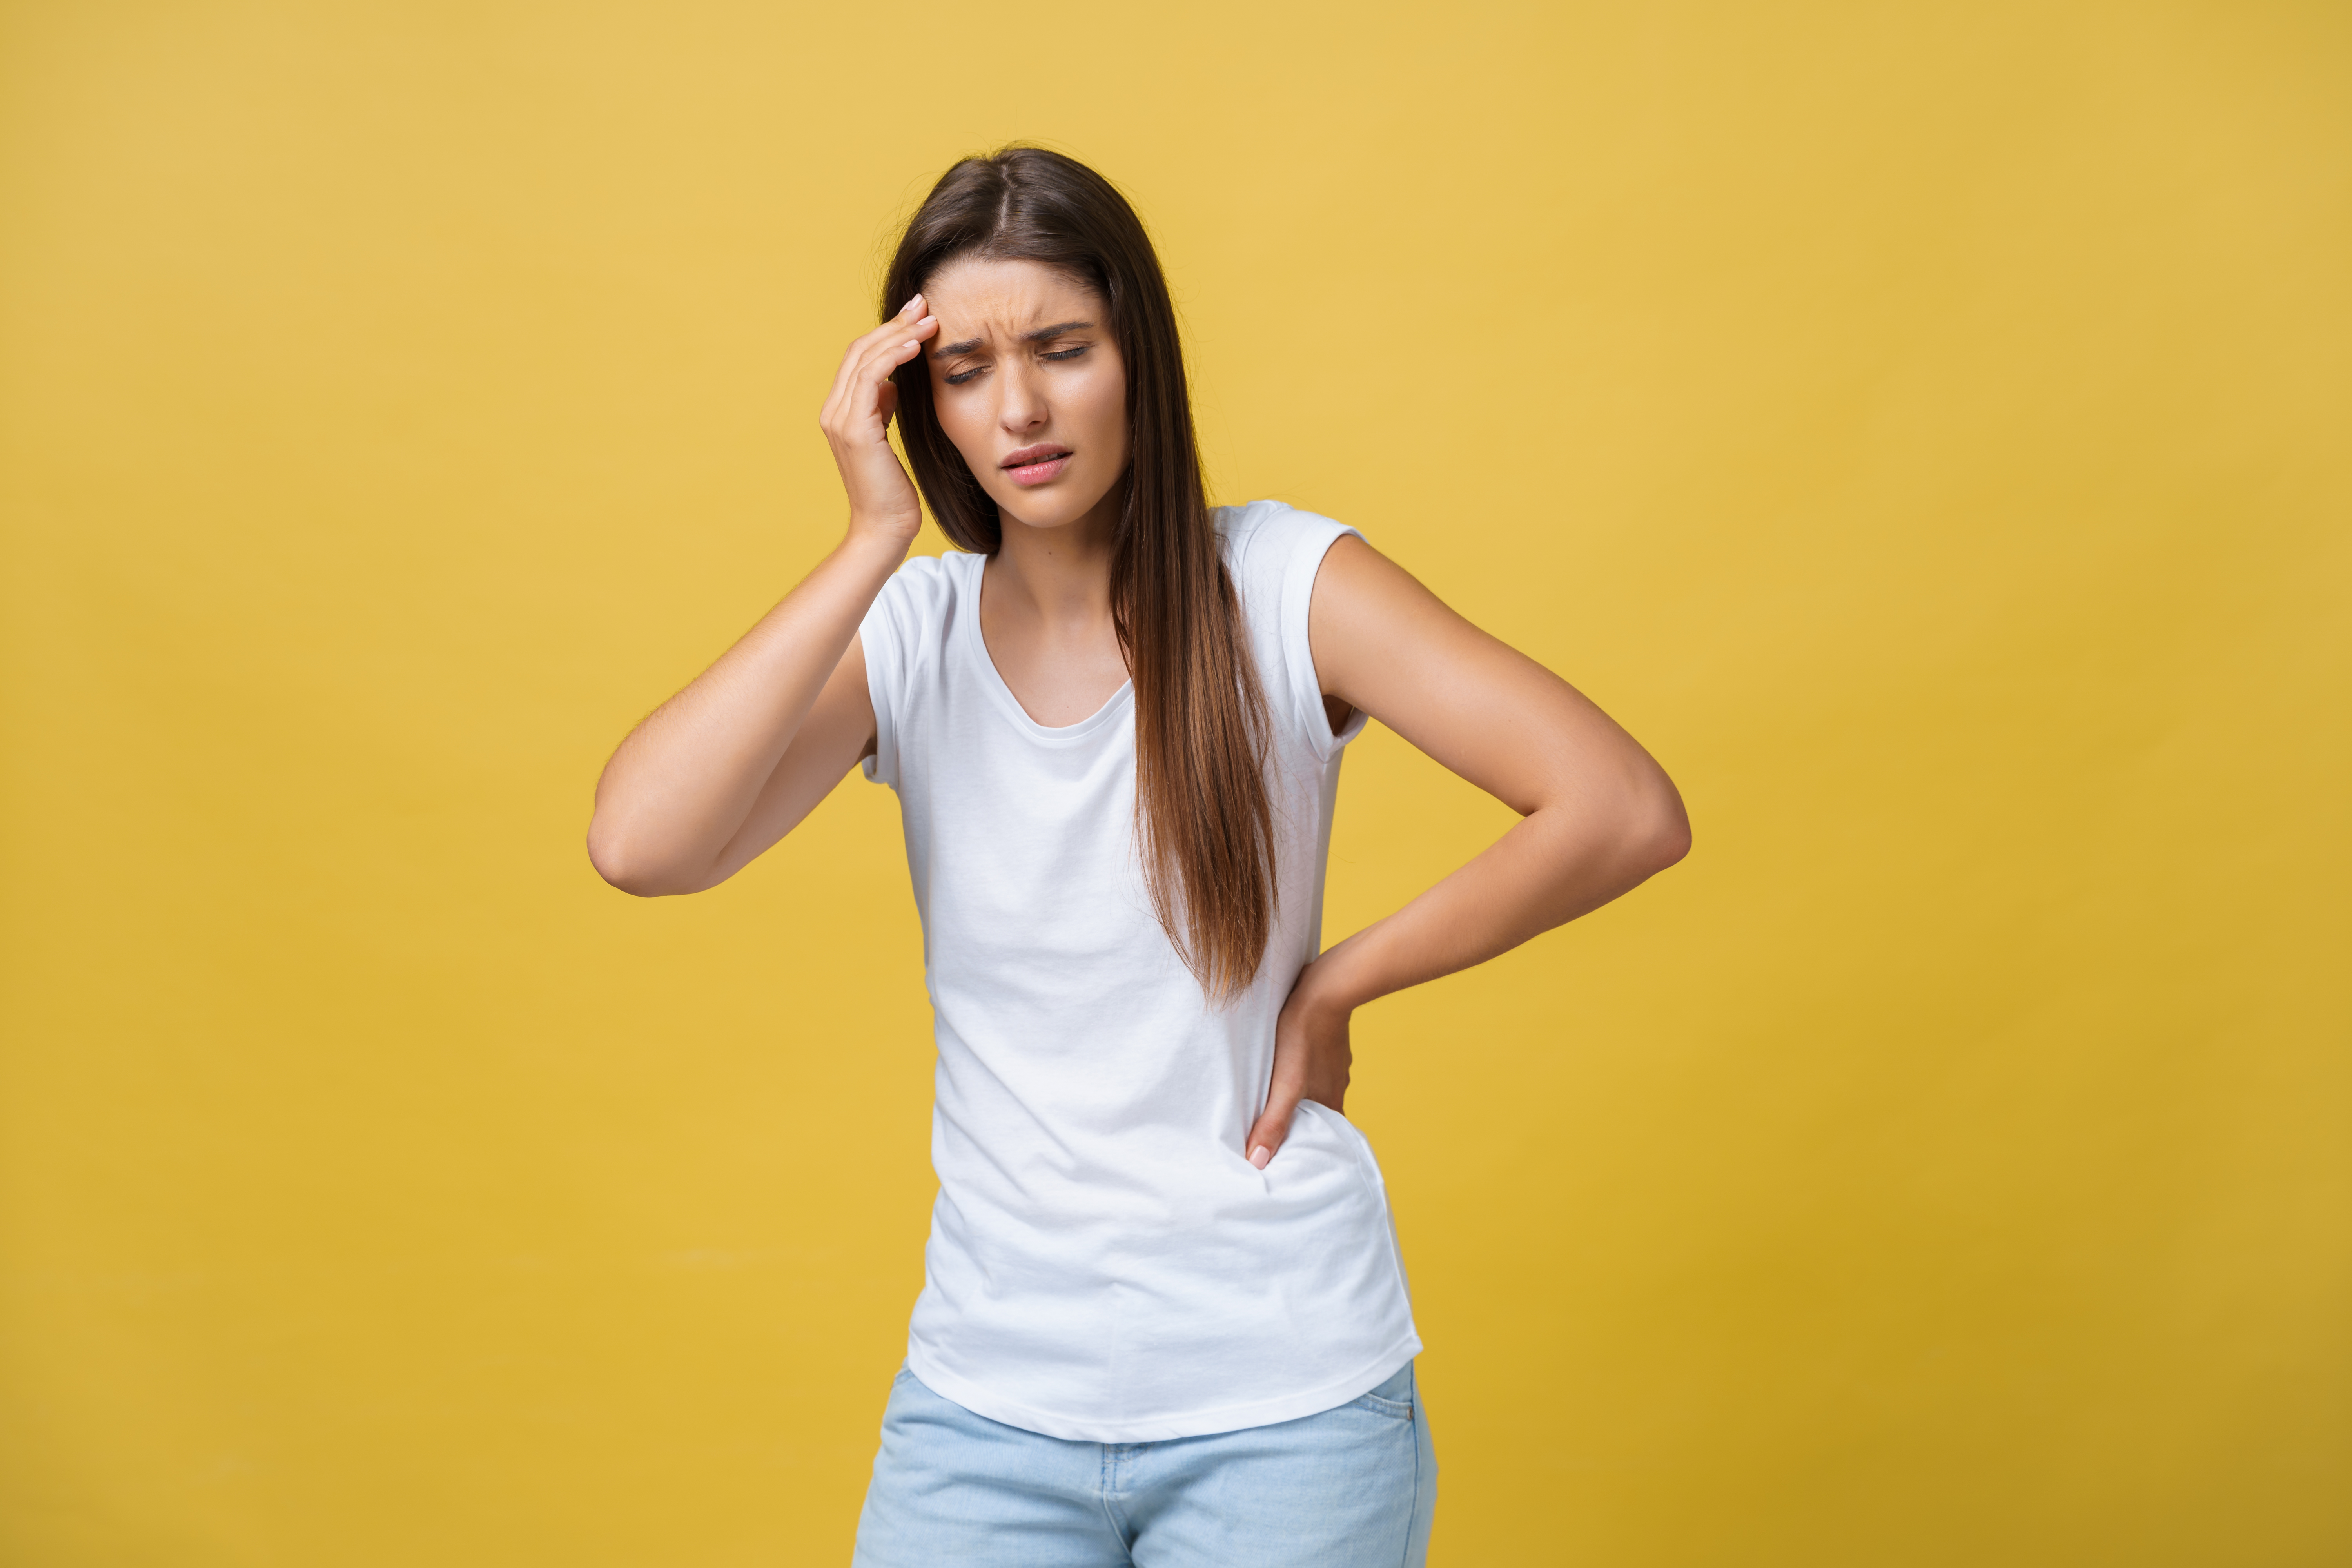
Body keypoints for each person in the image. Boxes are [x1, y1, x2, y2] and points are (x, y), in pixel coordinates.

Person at [585, 146, 1689, 1567]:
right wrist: (871, 536)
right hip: (986, 1405)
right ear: (918, 400)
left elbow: (1620, 808)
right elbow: (641, 844)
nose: (1022, 407)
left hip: (1285, 1402)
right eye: (967, 370)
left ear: (1137, 358)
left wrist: (1337, 983)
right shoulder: (913, 638)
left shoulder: (1287, 587)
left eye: (1062, 348)